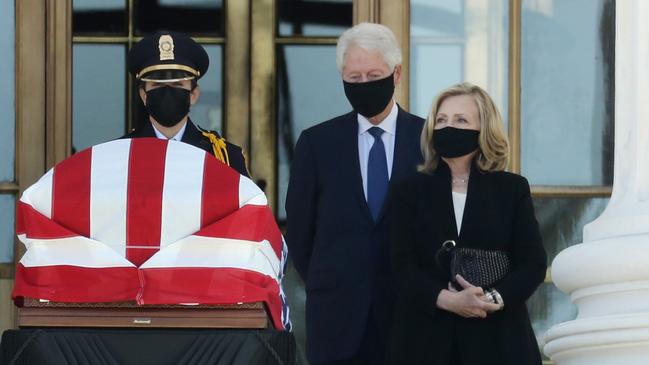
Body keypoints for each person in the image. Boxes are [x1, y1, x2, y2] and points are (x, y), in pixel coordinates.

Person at [286, 23, 424, 365]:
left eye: (373, 75)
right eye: (355, 78)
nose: (364, 85)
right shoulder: (317, 144)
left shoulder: (427, 140)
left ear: (397, 74)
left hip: (411, 316)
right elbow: (301, 234)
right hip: (336, 320)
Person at [388, 82, 547, 364]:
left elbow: (532, 263)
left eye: (461, 120)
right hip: (425, 343)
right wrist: (448, 300)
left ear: (483, 129)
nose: (448, 127)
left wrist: (491, 299)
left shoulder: (511, 189)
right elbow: (400, 264)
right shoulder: (408, 190)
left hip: (499, 342)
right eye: (441, 120)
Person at [125, 31, 249, 176]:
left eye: (178, 84)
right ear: (143, 95)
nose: (167, 92)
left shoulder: (225, 158)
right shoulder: (120, 154)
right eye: (157, 85)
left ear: (194, 94)